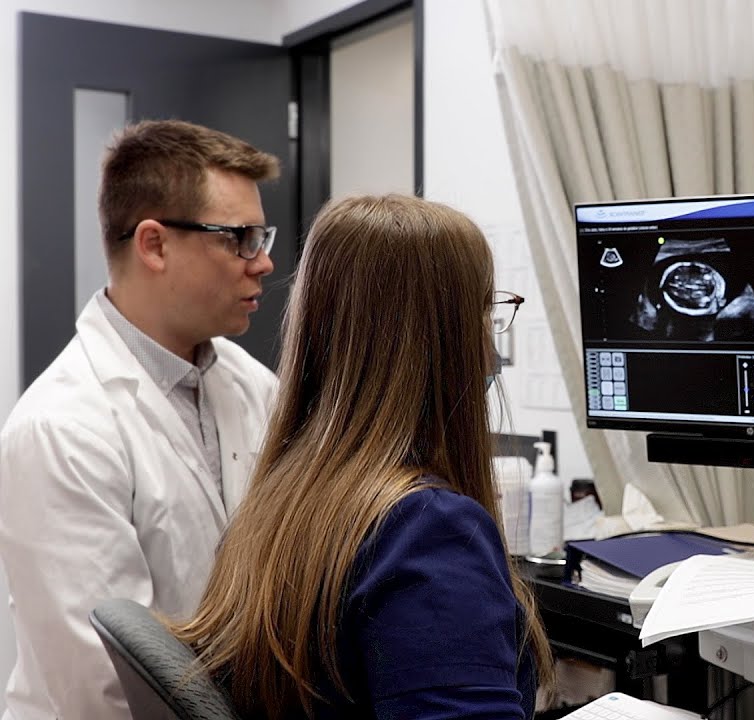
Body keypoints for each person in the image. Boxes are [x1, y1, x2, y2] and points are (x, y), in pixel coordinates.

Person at [171, 194, 554, 719]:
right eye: (483, 314)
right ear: (441, 339)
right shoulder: (429, 530)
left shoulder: (285, 501)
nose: (490, 351)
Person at [0, 120, 280, 720]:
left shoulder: (252, 385)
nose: (264, 261)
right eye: (241, 238)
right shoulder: (62, 428)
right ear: (153, 245)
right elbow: (105, 686)